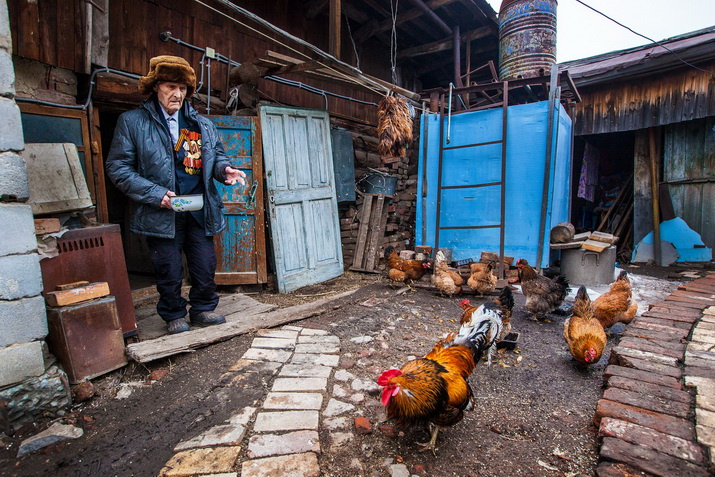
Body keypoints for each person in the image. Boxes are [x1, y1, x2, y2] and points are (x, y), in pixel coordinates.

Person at [106, 55, 246, 334]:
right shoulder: (133, 122)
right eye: (171, 86)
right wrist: (155, 193)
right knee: (168, 268)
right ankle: (173, 315)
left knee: (204, 265)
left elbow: (216, 156)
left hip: (198, 208)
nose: (177, 94)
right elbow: (118, 167)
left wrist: (225, 169)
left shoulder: (201, 124)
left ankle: (203, 310)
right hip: (162, 208)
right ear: (156, 86)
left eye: (183, 88)